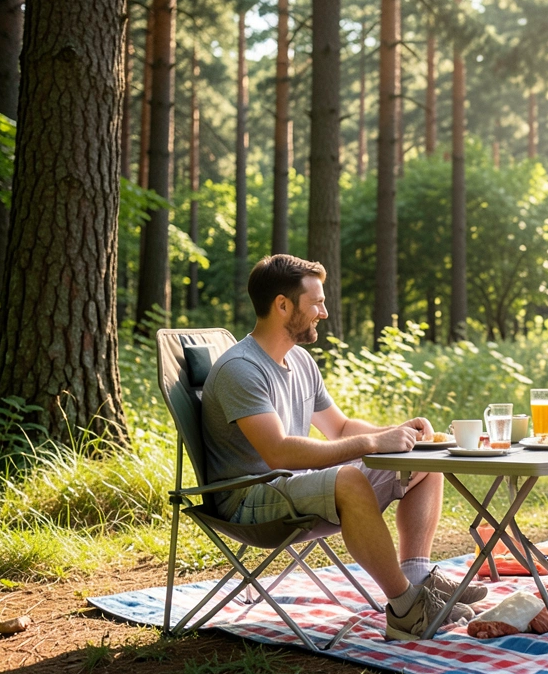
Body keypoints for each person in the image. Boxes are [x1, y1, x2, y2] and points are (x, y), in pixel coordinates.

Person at [201, 254, 485, 642]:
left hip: (291, 486)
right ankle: (405, 609)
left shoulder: (299, 361)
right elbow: (279, 452)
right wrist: (372, 443)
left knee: (422, 460)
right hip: (248, 498)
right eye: (315, 302)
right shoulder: (241, 369)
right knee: (349, 480)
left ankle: (419, 583)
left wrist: (399, 434)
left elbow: (341, 428)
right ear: (282, 305)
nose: (324, 311)